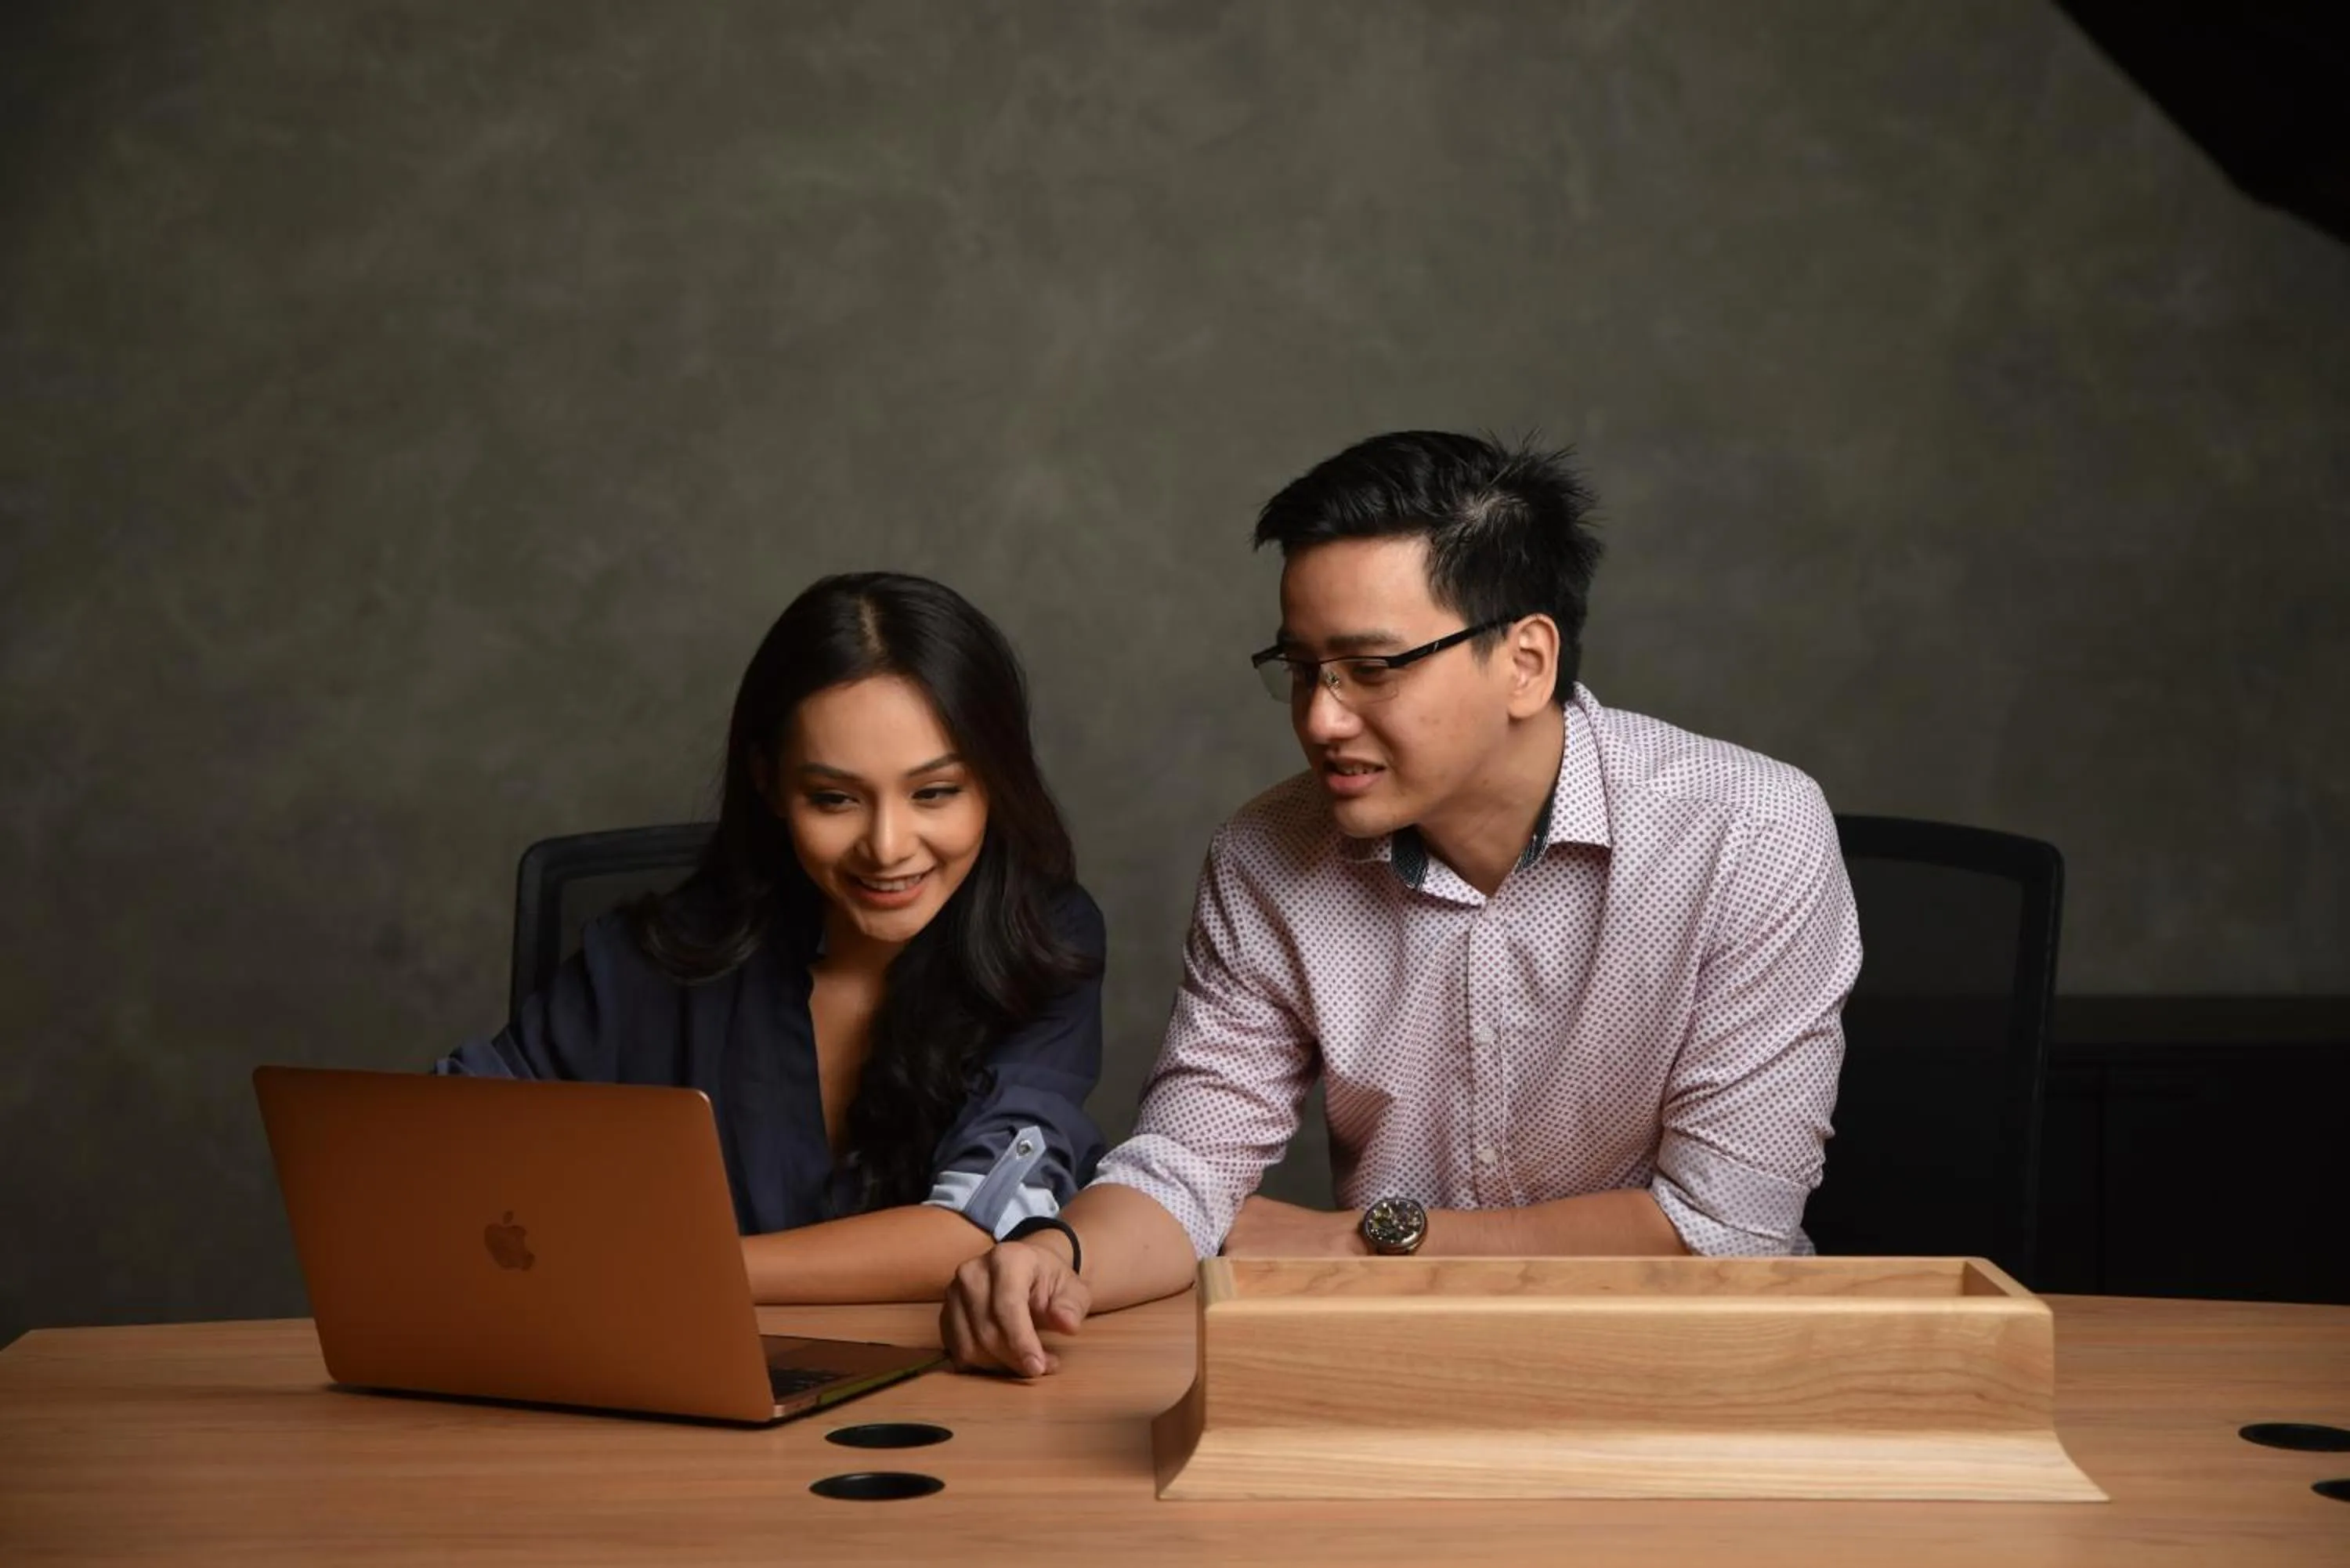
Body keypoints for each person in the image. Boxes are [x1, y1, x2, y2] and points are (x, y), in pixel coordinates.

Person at [942, 431, 1862, 1378]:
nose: (1320, 719)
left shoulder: (1748, 832)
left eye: (1371, 669)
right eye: (1302, 669)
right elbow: (1188, 1170)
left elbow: (1723, 1229)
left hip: (1688, 1365)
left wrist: (1368, 1241)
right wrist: (1057, 1254)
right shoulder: (1268, 857)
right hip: (1388, 1365)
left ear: (1527, 661)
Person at [437, 572, 1107, 1304]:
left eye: (934, 793)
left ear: (995, 782)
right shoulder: (650, 953)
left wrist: (656, 1267)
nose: (886, 846)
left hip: (950, 1396)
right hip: (668, 1383)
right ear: (768, 783)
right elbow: (454, 1138)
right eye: (834, 799)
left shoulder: (1044, 944)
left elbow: (982, 1228)